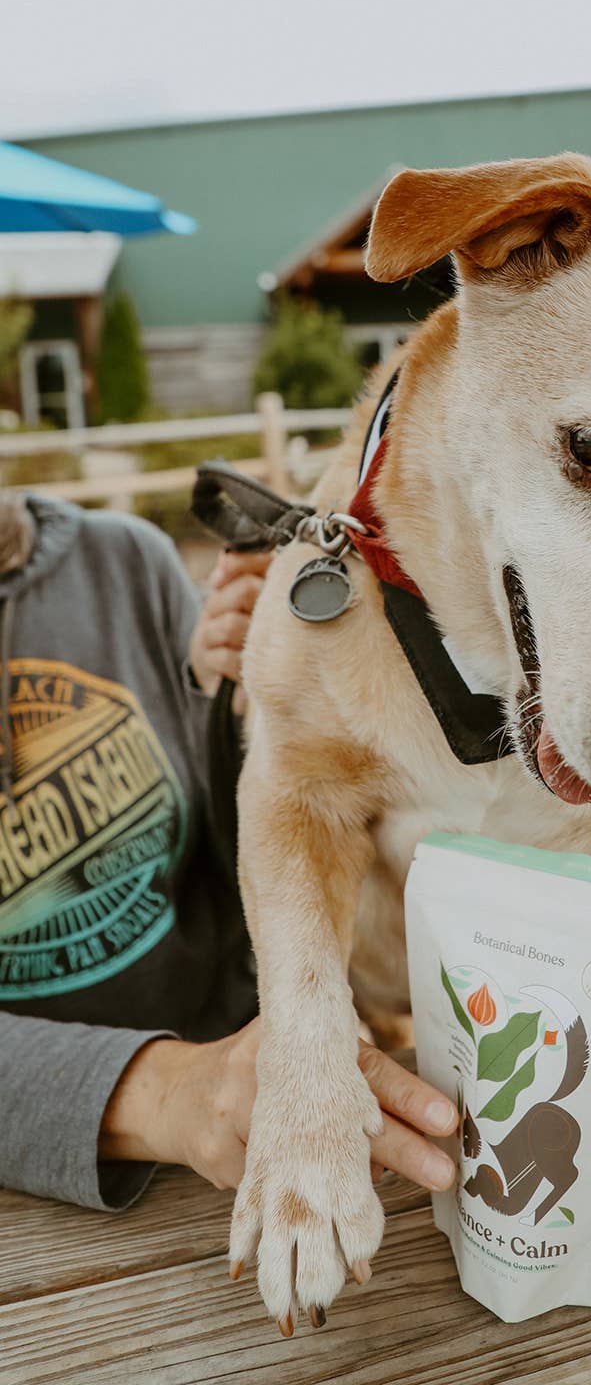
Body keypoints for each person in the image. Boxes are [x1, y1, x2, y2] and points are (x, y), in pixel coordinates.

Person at [0, 491, 457, 1211]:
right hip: (47, 1189)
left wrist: (234, 705)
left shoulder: (125, 557)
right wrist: (163, 1092)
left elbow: (221, 849)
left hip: (265, 1102)